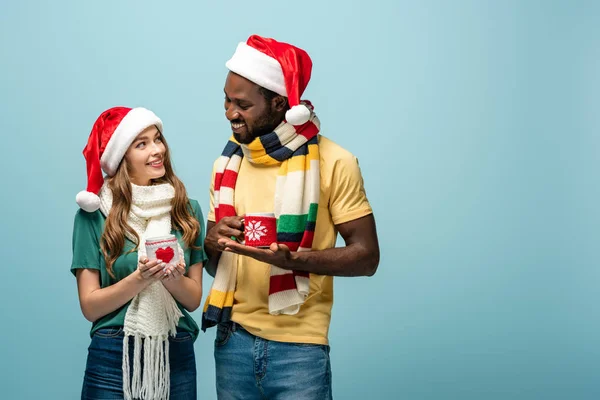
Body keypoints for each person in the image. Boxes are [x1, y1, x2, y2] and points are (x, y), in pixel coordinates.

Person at [202, 35, 380, 400]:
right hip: (231, 340)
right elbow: (211, 265)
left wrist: (294, 260)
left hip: (299, 348)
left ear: (279, 103)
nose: (229, 113)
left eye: (243, 105)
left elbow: (367, 257)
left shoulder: (334, 161)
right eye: (226, 99)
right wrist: (210, 240)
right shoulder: (226, 165)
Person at [71, 106, 206, 400]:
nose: (157, 150)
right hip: (112, 353)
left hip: (175, 349)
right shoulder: (93, 215)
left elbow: (193, 299)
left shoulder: (187, 210)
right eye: (141, 144)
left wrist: (169, 278)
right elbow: (90, 307)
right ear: (122, 158)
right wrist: (141, 278)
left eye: (157, 139)